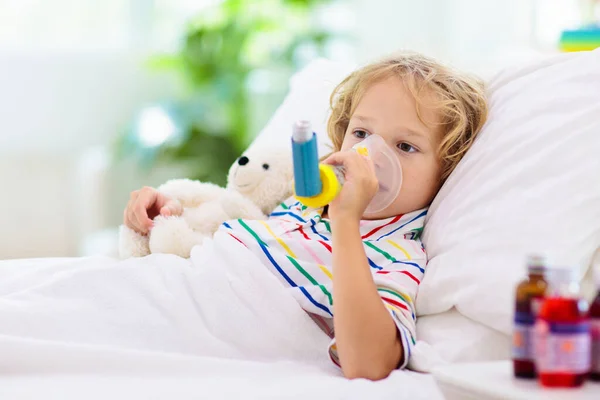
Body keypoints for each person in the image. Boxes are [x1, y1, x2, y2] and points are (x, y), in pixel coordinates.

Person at [123, 53, 488, 380]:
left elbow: (369, 362)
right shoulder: (300, 206)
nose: (370, 155)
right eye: (361, 132)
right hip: (161, 296)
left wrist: (346, 222)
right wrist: (169, 214)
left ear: (446, 172)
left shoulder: (396, 255)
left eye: (405, 146)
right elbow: (225, 233)